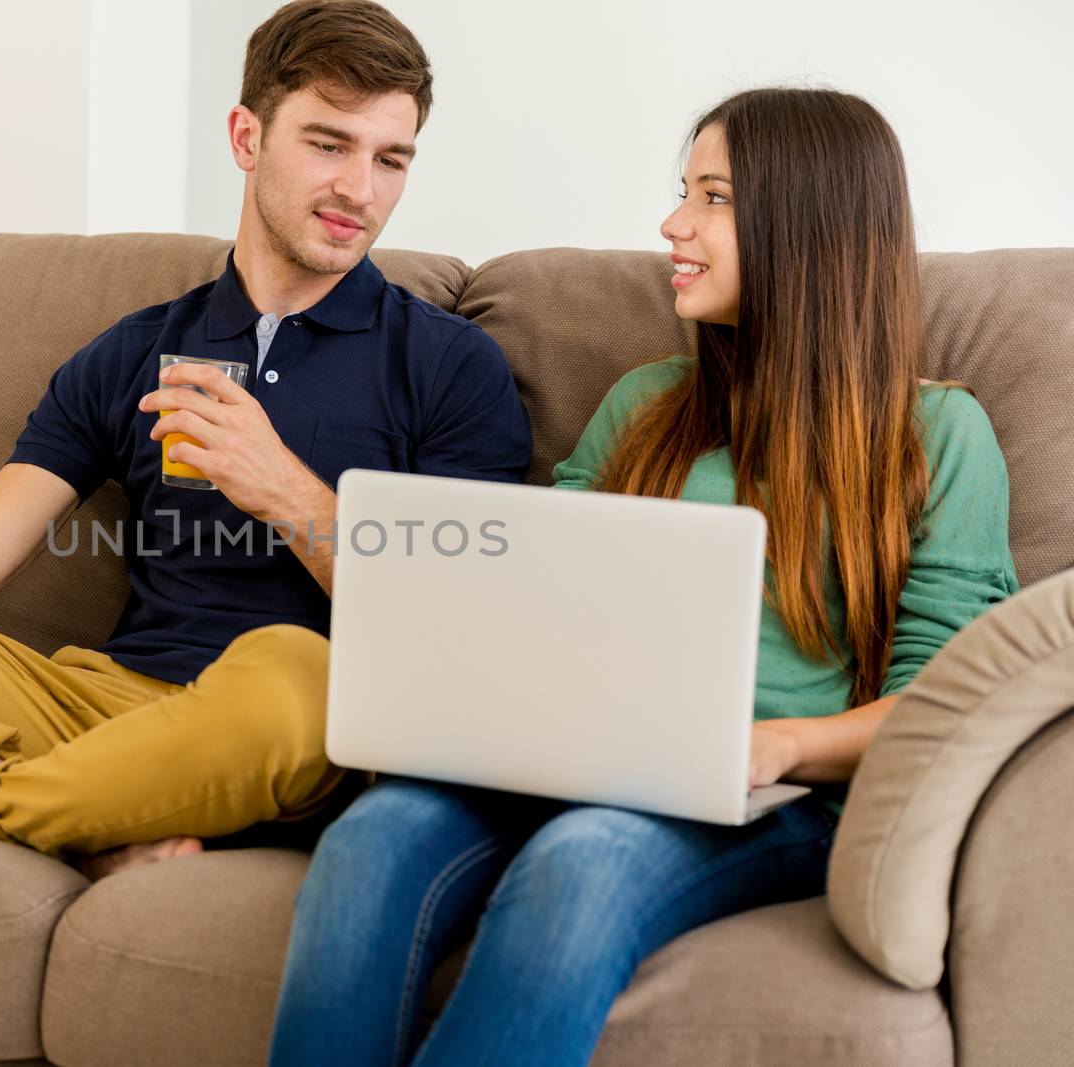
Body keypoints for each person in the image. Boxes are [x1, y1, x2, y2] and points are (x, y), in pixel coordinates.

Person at [0, 0, 532, 879]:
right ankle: (53, 805)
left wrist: (281, 487)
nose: (361, 190)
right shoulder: (134, 351)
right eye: (328, 144)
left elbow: (447, 631)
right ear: (246, 136)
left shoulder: (450, 364)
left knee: (296, 671)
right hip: (87, 704)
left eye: (391, 159)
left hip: (274, 727)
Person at [269, 85, 1021, 1065]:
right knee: (368, 842)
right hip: (565, 754)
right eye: (683, 192)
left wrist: (775, 745)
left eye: (712, 197)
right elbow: (540, 598)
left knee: (586, 861)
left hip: (773, 797)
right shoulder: (646, 405)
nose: (673, 223)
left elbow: (942, 698)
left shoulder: (937, 435)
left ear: (807, 224)